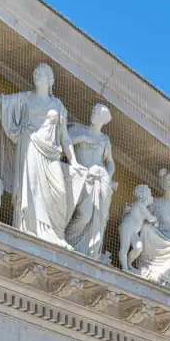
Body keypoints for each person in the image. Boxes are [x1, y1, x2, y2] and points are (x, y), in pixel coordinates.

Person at [0, 62, 74, 244]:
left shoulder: (58, 106)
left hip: (51, 154)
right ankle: (28, 227)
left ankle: (54, 234)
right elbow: (1, 103)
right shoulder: (24, 98)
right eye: (34, 73)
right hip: (29, 148)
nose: (35, 75)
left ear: (50, 80)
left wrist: (75, 162)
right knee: (31, 188)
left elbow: (64, 137)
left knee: (59, 191)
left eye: (40, 73)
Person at [62, 102, 115, 259]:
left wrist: (109, 177)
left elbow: (110, 162)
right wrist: (83, 138)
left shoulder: (105, 140)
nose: (94, 113)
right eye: (94, 110)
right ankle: (67, 241)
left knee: (97, 219)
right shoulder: (78, 129)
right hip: (81, 177)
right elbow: (64, 142)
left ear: (104, 120)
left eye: (98, 112)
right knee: (84, 215)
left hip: (100, 180)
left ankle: (88, 252)